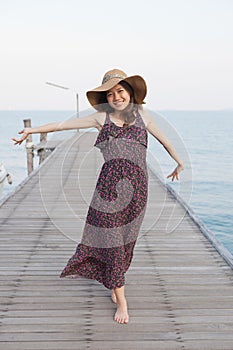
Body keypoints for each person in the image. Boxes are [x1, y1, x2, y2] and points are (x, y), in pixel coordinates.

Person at [12, 68, 184, 324]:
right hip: (107, 193)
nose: (116, 97)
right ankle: (122, 301)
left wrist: (179, 162)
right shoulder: (99, 119)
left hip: (138, 192)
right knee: (113, 244)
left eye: (121, 91)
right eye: (111, 93)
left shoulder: (143, 116)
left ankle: (115, 282)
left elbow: (165, 140)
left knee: (126, 244)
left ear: (130, 93)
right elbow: (61, 126)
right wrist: (31, 131)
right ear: (106, 98)